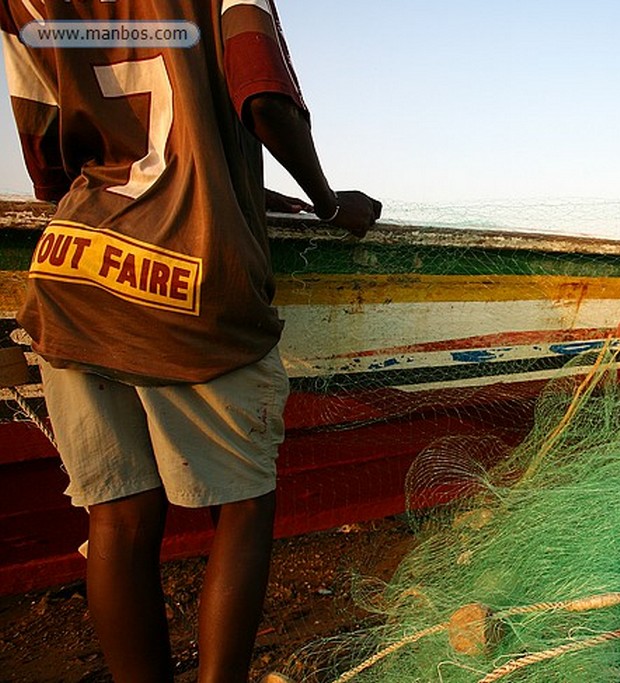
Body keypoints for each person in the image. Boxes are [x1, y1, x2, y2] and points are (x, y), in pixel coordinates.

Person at [1, 1, 381, 680]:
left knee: (115, 520)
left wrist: (237, 186)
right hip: (193, 285)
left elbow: (51, 145)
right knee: (243, 504)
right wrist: (328, 201)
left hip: (72, 274)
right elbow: (264, 99)